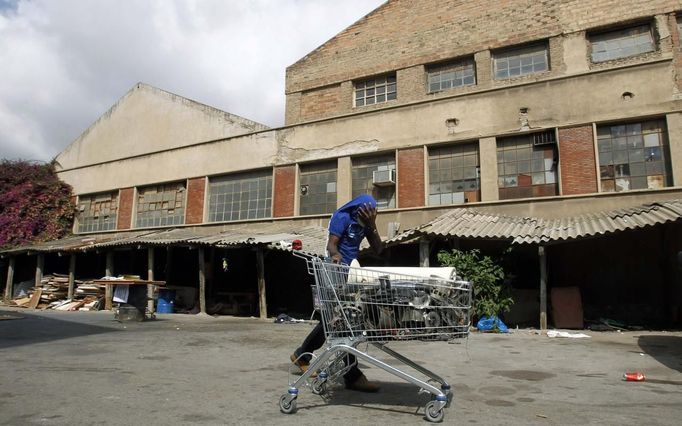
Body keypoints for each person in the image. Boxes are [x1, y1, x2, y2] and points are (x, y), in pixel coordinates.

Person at [291, 194, 383, 392]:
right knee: (342, 320)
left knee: (337, 320)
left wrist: (372, 225)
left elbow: (378, 249)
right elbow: (331, 244)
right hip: (333, 270)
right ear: (358, 210)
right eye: (367, 213)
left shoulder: (367, 222)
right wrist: (336, 254)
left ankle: (303, 354)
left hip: (350, 273)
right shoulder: (343, 218)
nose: (369, 215)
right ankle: (352, 375)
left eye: (372, 214)